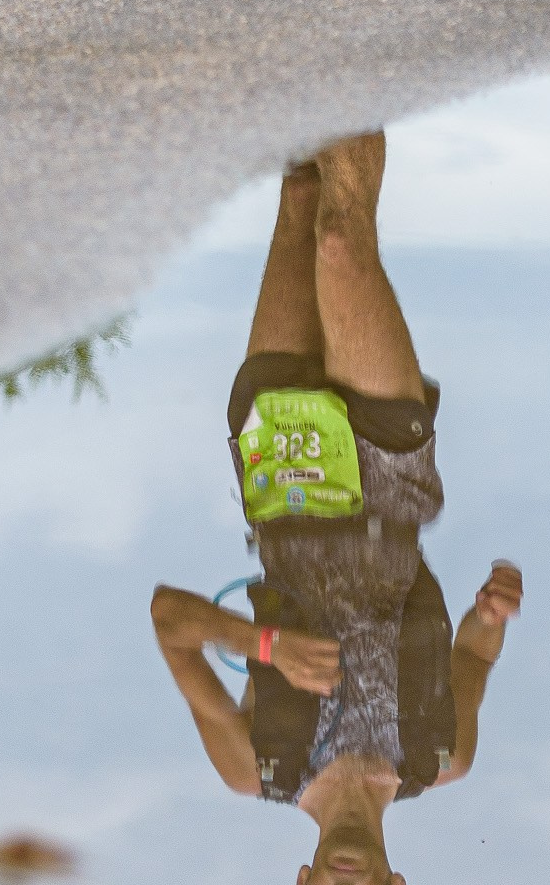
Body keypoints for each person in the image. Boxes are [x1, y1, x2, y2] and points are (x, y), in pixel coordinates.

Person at [149, 135, 523, 882]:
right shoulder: (441, 759)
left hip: (285, 477)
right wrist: (494, 605)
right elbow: (476, 653)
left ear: (302, 883)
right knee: (340, 244)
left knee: (298, 201)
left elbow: (169, 619)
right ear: (395, 883)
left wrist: (264, 649)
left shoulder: (253, 768)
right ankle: (363, 49)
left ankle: (308, 48)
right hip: (392, 486)